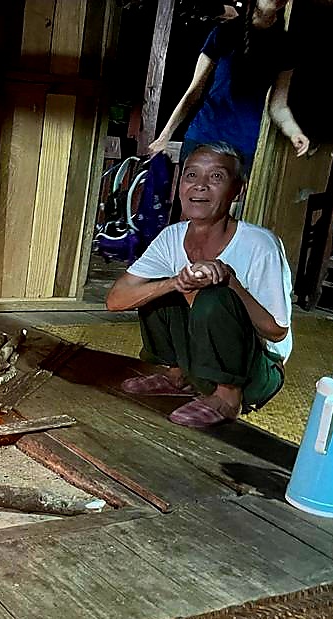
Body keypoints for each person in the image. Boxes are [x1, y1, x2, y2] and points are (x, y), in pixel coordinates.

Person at [105, 141, 292, 428]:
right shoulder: (172, 236)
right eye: (191, 175)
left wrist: (230, 282)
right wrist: (175, 283)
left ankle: (227, 398)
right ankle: (177, 375)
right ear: (180, 184)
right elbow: (116, 299)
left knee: (214, 296)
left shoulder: (260, 244)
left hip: (254, 369)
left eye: (216, 177)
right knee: (159, 288)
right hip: (198, 355)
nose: (200, 186)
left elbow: (277, 332)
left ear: (238, 190)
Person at [148, 0, 309, 168]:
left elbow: (278, 106)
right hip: (203, 136)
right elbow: (193, 92)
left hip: (243, 146)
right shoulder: (224, 32)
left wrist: (294, 132)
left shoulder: (286, 47)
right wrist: (164, 136)